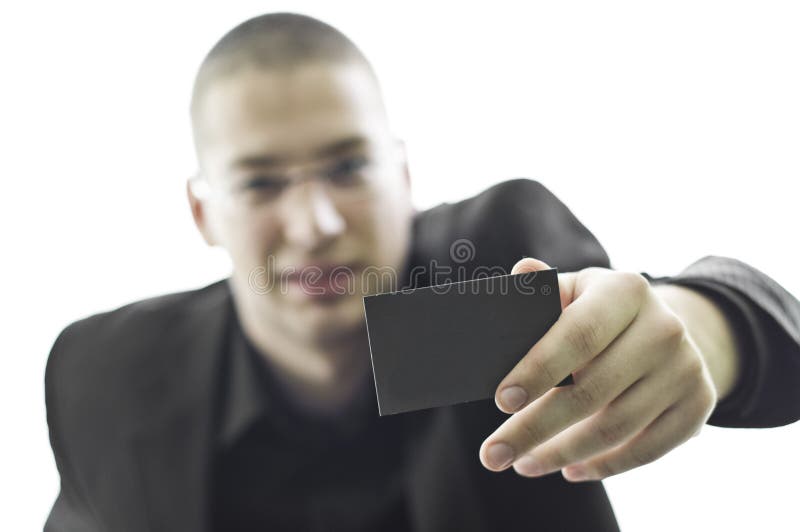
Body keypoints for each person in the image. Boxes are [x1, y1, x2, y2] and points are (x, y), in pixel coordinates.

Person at [43, 12, 800, 532]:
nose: (317, 224)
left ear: (403, 176)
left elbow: (766, 338)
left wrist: (699, 331)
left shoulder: (499, 252)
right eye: (262, 183)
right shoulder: (106, 374)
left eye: (348, 166)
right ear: (204, 215)